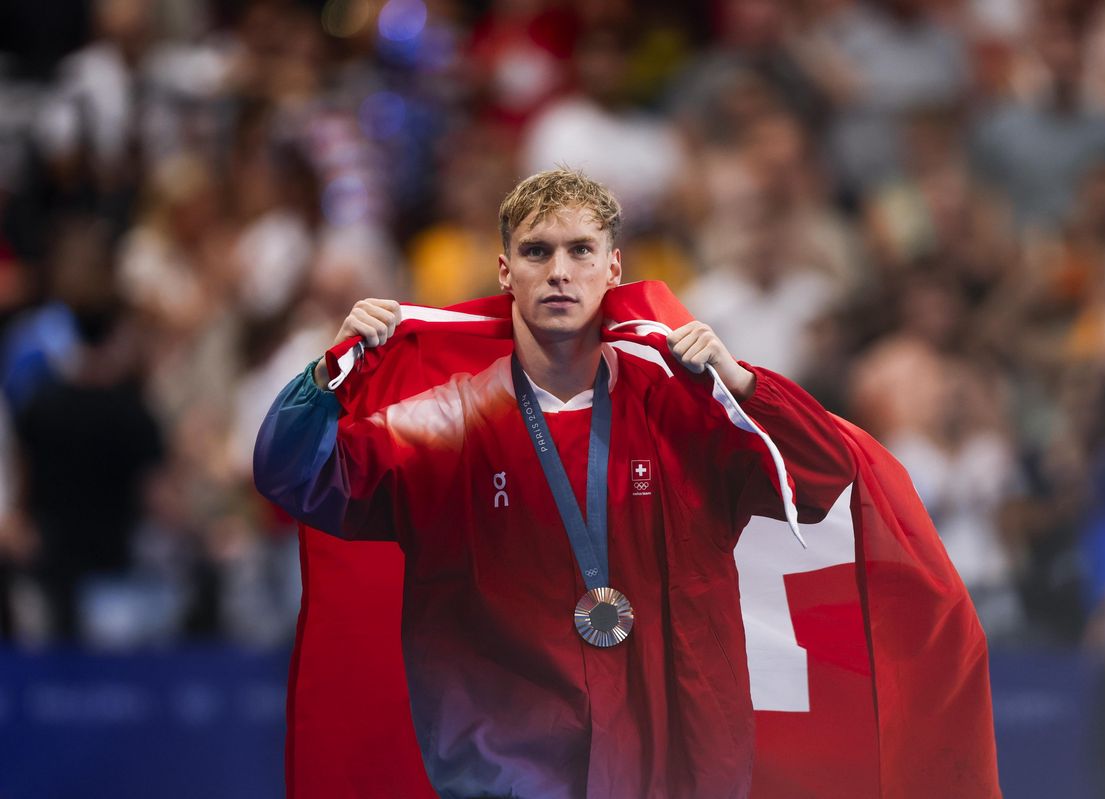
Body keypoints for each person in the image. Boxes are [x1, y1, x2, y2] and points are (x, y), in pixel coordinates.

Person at [254, 168, 856, 798]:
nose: (560, 271)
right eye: (537, 251)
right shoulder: (447, 423)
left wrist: (741, 383)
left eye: (580, 250)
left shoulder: (684, 414)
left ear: (614, 267)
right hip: (505, 767)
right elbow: (294, 476)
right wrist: (328, 374)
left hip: (674, 769)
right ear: (505, 271)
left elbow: (822, 477)